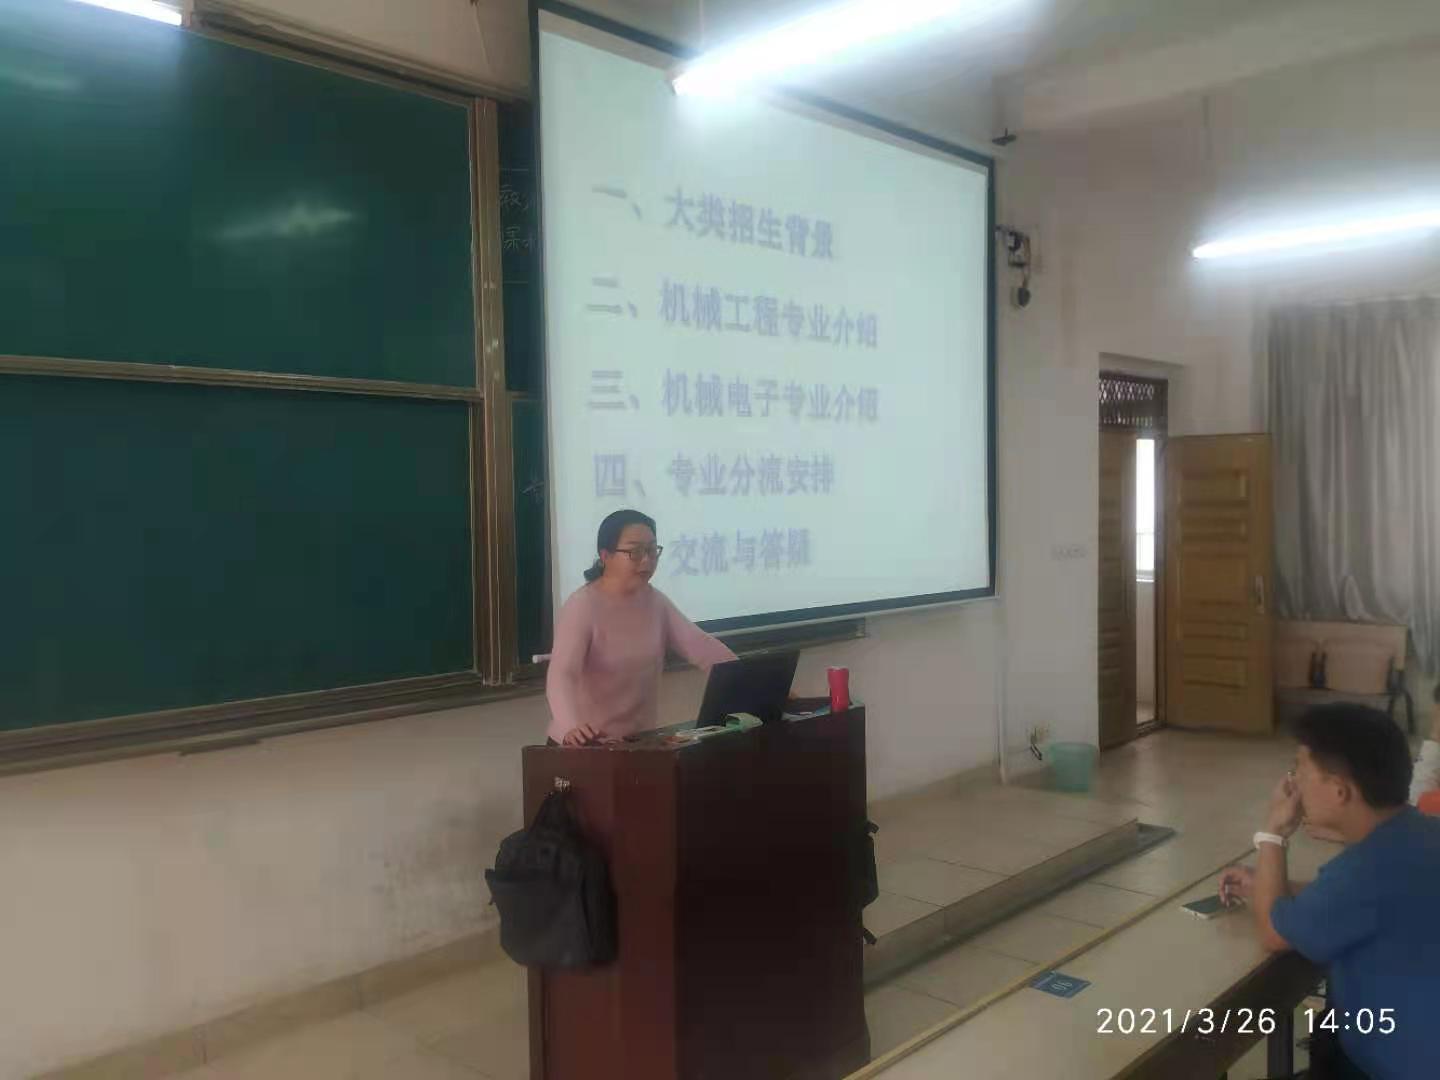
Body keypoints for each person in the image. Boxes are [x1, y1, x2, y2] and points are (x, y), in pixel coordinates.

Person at [1218, 704, 1440, 1080]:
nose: (1293, 785)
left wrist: (1273, 833)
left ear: (1339, 791)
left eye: (1300, 772)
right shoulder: (1424, 832)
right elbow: (1374, 905)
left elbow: (1273, 932)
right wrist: (1272, 885)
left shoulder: (1363, 870)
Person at [545, 509, 736, 746]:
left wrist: (750, 681)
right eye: (634, 552)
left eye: (652, 550)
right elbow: (562, 674)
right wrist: (570, 726)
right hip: (584, 746)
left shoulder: (655, 602)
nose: (646, 560)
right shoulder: (582, 606)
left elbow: (702, 647)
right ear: (605, 556)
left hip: (638, 744)